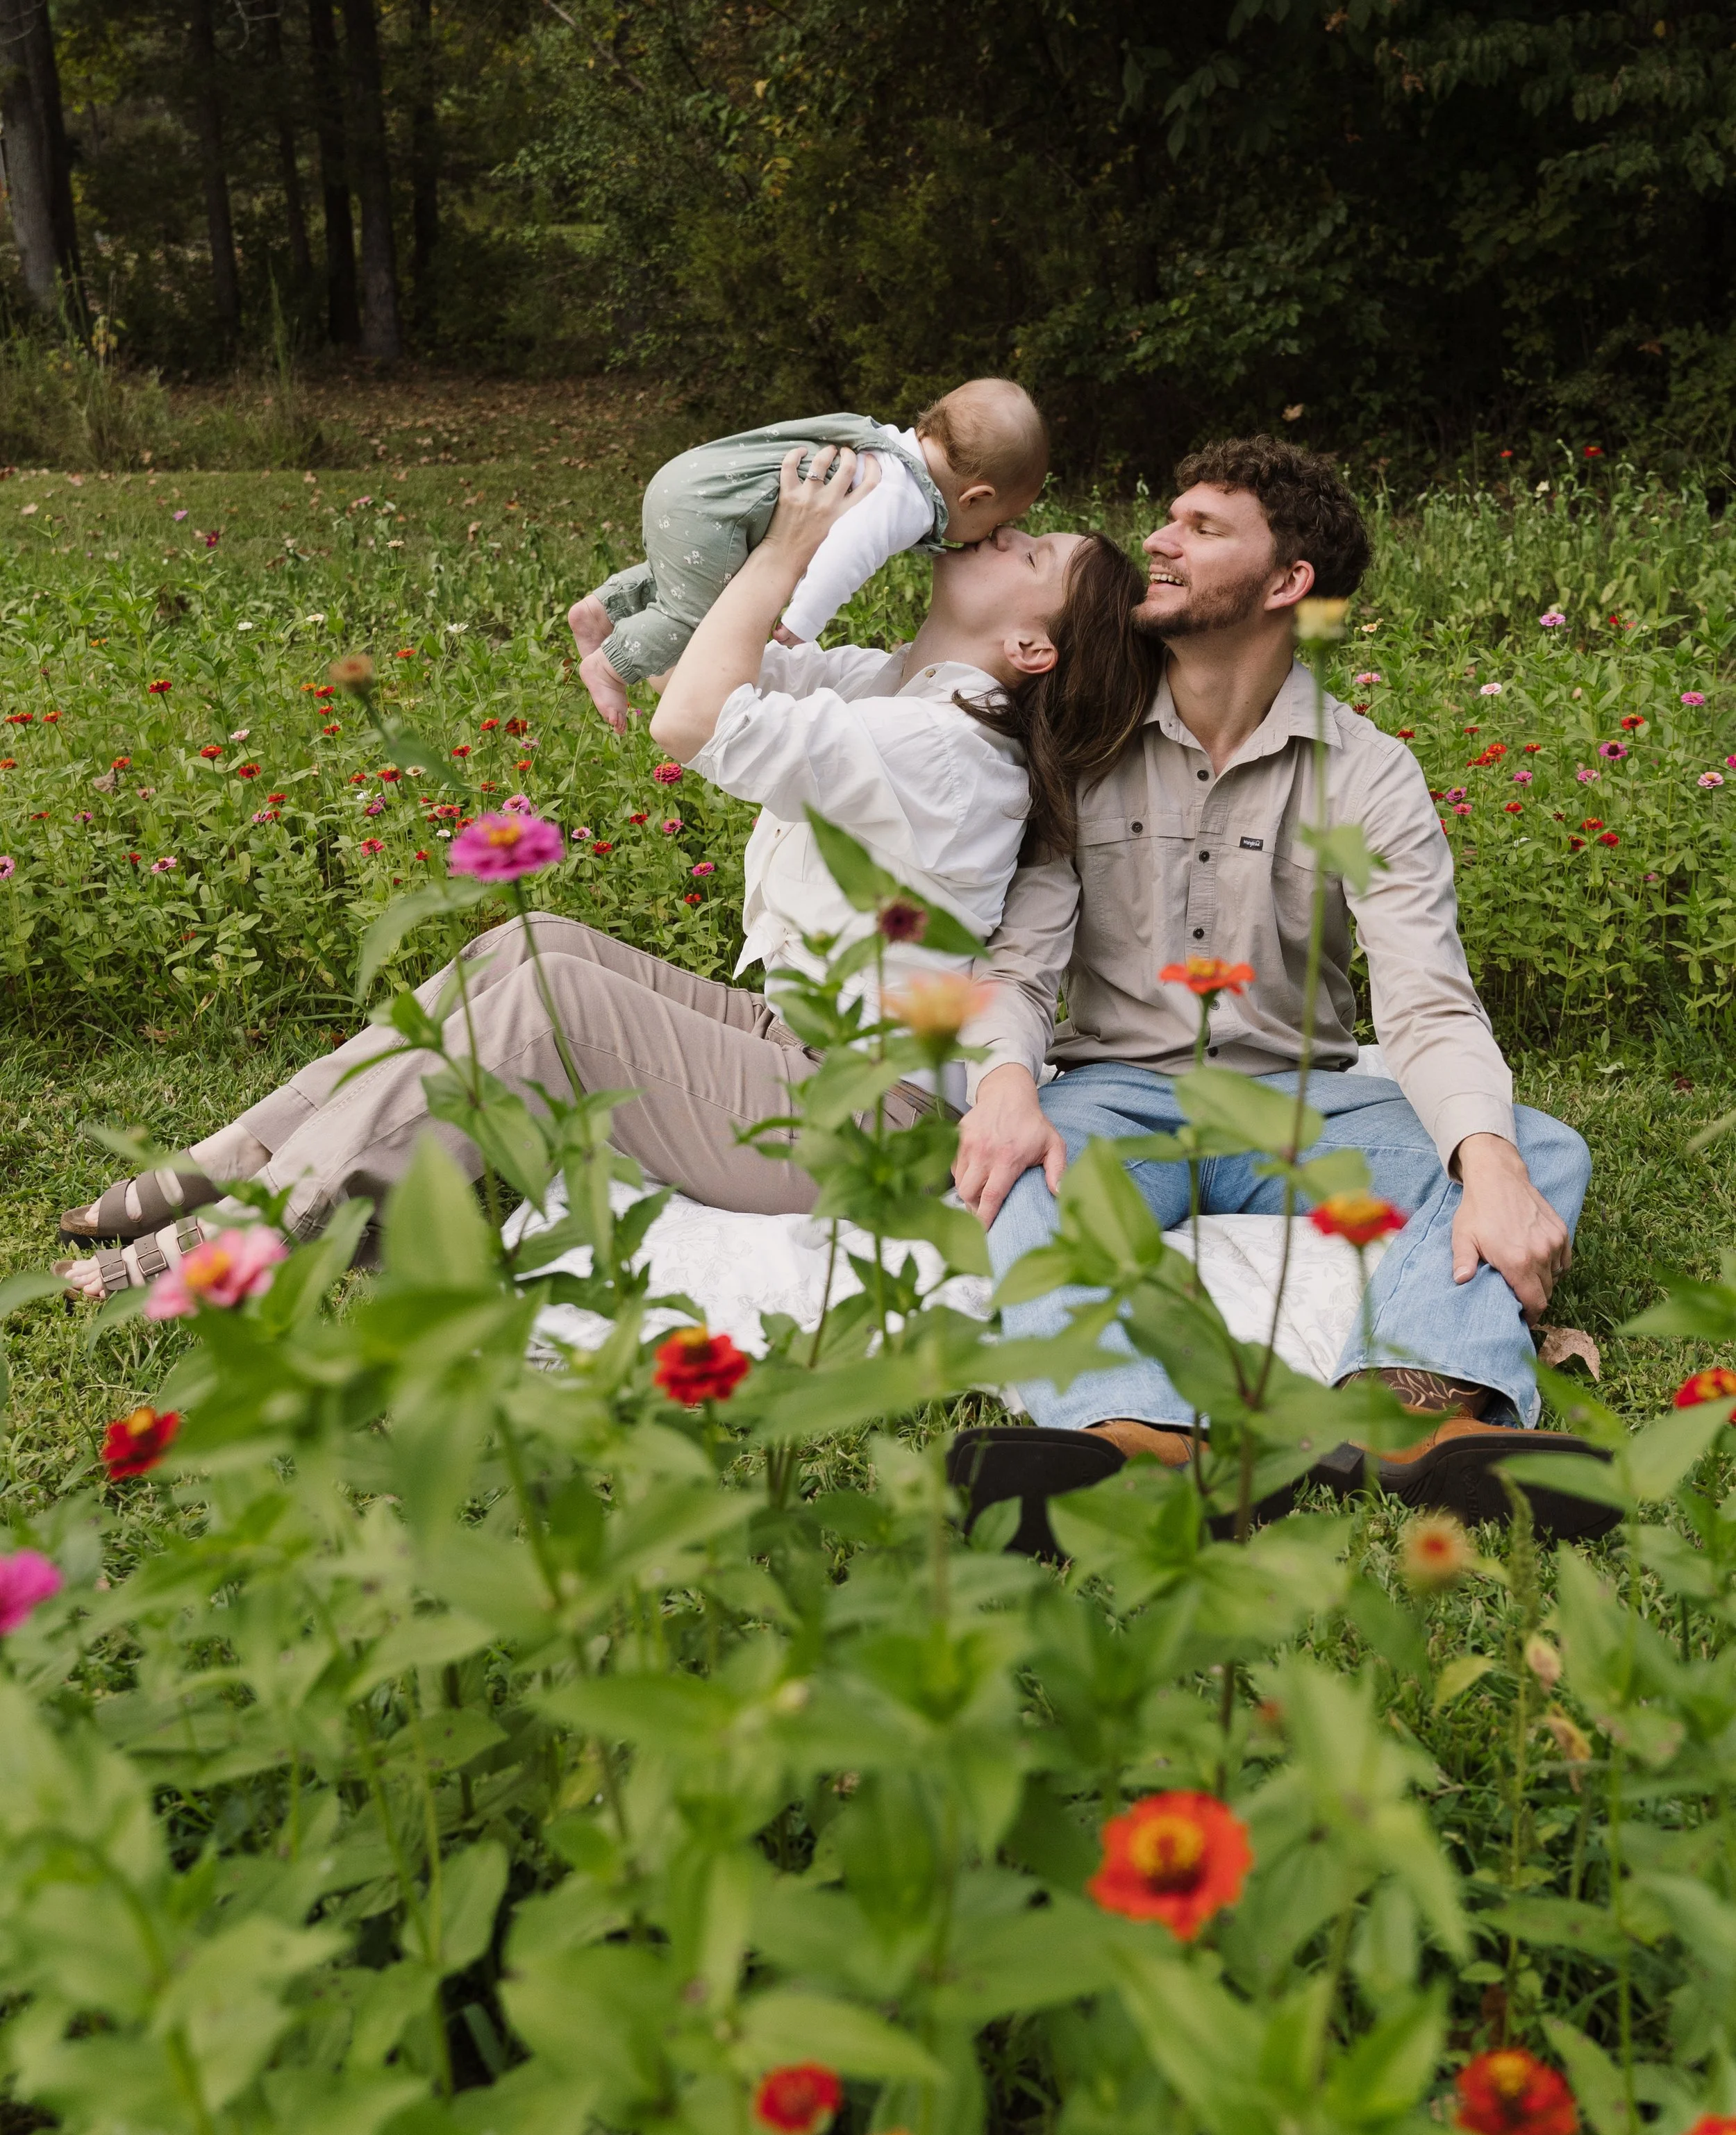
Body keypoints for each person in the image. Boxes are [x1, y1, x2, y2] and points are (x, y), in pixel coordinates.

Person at [56, 446, 1155, 1299]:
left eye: (1034, 555)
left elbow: (692, 720)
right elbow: (701, 657)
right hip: (800, 1043)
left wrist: (786, 546)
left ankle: (249, 1233)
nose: (1005, 531)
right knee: (532, 945)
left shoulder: (945, 749)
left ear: (1034, 649)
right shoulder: (888, 684)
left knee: (550, 1003)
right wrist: (653, 597)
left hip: (870, 1118)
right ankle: (234, 1156)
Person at [949, 435, 1615, 1541]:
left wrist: (1489, 1165)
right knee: (1006, 1170)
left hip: (1303, 1102)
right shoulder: (1085, 736)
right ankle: (1136, 1433)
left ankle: (1414, 1411)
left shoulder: (1370, 774)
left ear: (1287, 582)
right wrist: (1007, 1082)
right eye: (1169, 516)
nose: (1157, 539)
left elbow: (1429, 1001)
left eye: (1202, 528)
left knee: (1540, 1150)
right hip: (1116, 1095)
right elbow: (1022, 962)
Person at [567, 378, 1049, 730]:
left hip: (694, 486)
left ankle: (605, 606)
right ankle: (610, 664)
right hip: (717, 515)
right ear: (976, 497)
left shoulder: (883, 445)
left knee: (690, 578)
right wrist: (803, 623)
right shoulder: (907, 497)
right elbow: (849, 551)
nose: (996, 534)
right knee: (695, 614)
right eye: (998, 521)